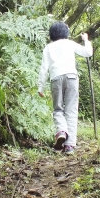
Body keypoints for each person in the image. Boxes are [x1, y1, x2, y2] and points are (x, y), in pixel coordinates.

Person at [38, 22, 93, 154]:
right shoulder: (70, 43)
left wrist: (41, 86)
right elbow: (87, 53)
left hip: (56, 78)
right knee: (71, 111)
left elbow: (44, 69)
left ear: (51, 34)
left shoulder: (48, 47)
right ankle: (69, 146)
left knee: (58, 109)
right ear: (65, 33)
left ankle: (62, 131)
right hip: (72, 77)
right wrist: (86, 40)